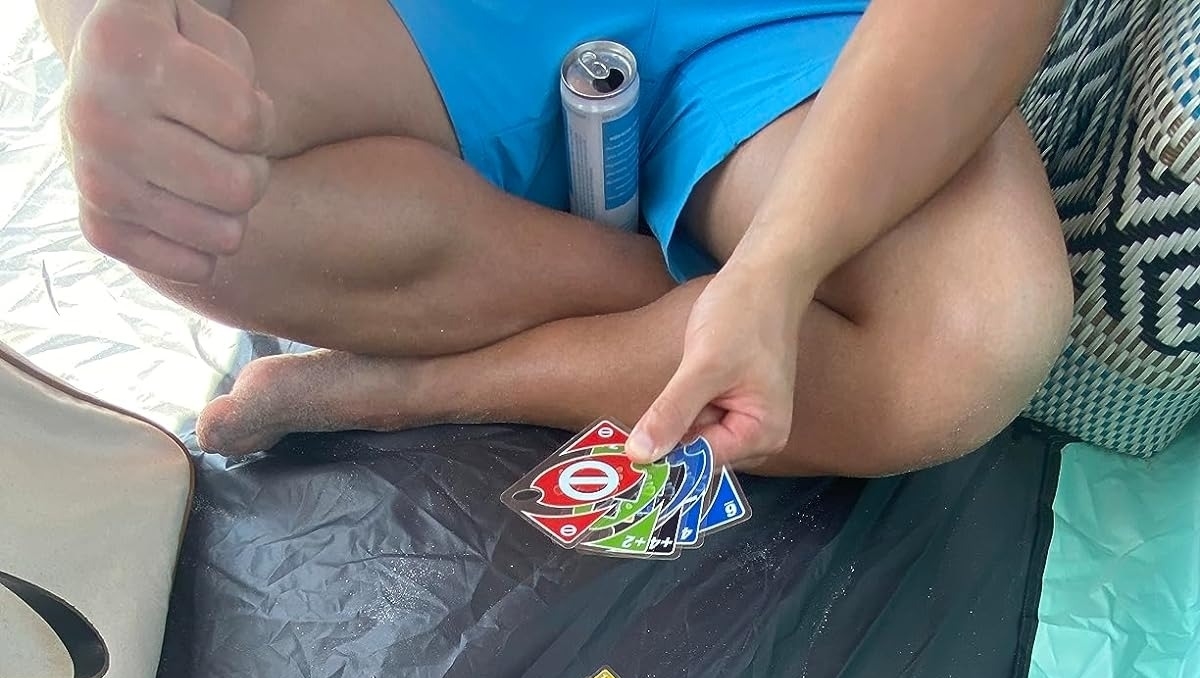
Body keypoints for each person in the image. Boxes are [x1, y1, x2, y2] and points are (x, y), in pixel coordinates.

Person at [38, 0, 1075, 475]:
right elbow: (131, 46)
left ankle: (409, 387)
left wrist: (779, 265)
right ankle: (656, 316)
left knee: (970, 334)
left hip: (788, 28)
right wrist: (121, 57)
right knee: (190, 198)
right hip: (443, 24)